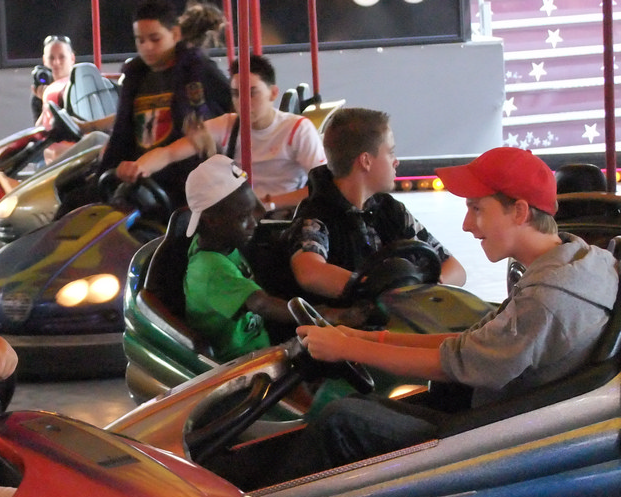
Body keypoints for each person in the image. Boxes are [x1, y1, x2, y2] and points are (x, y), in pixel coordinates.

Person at [293, 146, 619, 475]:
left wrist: (347, 348)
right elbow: (467, 343)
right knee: (361, 407)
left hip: (497, 446)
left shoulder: (547, 298)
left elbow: (453, 364)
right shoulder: (576, 263)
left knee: (339, 421)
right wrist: (363, 339)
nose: (466, 225)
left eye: (477, 209)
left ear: (519, 212)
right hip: (504, 418)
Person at [276, 107, 467, 304]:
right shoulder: (316, 216)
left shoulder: (391, 210)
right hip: (348, 320)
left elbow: (455, 269)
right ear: (366, 161)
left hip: (400, 314)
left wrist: (422, 291)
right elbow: (310, 272)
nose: (396, 162)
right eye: (390, 153)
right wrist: (378, 289)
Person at [117, 54, 325, 211]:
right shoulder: (226, 125)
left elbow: (323, 187)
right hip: (240, 217)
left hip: (284, 218)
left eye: (252, 93)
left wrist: (268, 204)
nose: (242, 102)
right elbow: (169, 153)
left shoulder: (298, 130)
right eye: (236, 94)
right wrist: (139, 167)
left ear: (273, 93)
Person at [93, 0, 232, 205]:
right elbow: (121, 135)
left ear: (175, 34)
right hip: (140, 182)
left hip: (186, 184)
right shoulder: (135, 78)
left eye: (155, 39)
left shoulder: (199, 72)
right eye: (140, 41)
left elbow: (234, 112)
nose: (147, 47)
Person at [182, 154, 303, 361]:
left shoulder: (221, 242)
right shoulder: (209, 269)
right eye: (243, 217)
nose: (253, 224)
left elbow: (259, 211)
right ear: (211, 221)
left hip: (260, 348)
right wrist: (322, 313)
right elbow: (261, 304)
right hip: (239, 363)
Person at [31, 35, 76, 126]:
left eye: (62, 57)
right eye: (51, 58)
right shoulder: (40, 92)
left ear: (72, 59)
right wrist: (46, 102)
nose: (56, 63)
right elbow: (40, 129)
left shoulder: (80, 86)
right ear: (44, 60)